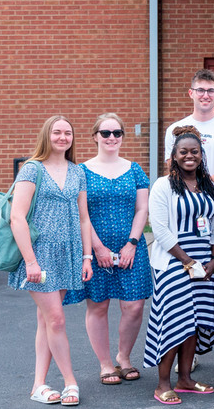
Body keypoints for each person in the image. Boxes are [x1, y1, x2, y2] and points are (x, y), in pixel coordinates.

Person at [9, 115, 94, 407]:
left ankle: (38, 385)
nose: (62, 137)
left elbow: (84, 218)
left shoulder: (77, 171)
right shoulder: (32, 169)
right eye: (57, 132)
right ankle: (70, 381)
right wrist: (30, 261)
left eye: (68, 133)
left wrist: (86, 256)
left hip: (68, 253)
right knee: (56, 319)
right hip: (40, 254)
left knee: (47, 320)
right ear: (47, 135)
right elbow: (16, 217)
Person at [163, 68, 214, 372]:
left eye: (211, 91)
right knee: (188, 279)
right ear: (191, 93)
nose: (205, 95)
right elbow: (172, 167)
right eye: (200, 90)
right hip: (184, 217)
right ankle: (188, 347)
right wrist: (193, 190)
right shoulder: (175, 128)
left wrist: (198, 185)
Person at [64, 114, 151, 387]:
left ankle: (123, 358)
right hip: (94, 248)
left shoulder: (135, 169)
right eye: (105, 133)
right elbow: (81, 214)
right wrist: (97, 248)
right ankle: (105, 364)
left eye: (117, 132)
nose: (112, 137)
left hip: (131, 249)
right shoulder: (81, 171)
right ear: (95, 137)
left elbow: (142, 209)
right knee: (98, 305)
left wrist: (132, 244)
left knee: (134, 306)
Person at [144, 126, 214, 405]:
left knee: (195, 321)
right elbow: (161, 230)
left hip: (204, 263)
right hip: (174, 262)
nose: (190, 156)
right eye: (183, 152)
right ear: (174, 156)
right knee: (176, 321)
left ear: (201, 155)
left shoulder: (209, 186)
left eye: (195, 151)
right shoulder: (163, 185)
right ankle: (163, 383)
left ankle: (185, 378)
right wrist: (187, 262)